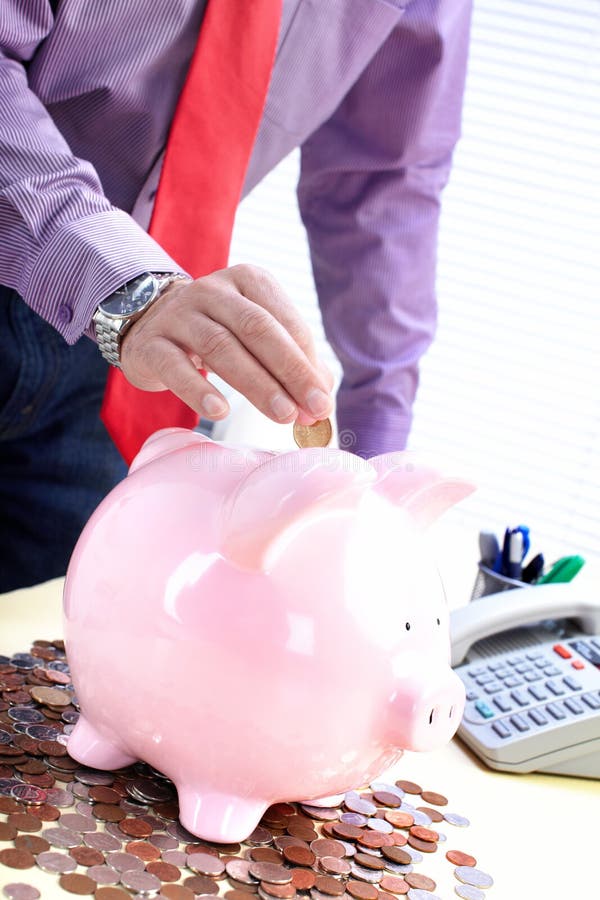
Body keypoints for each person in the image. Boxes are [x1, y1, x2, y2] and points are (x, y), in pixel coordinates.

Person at [0, 0, 473, 593]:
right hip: (128, 294)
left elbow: (384, 183)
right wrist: (121, 280)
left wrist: (372, 459)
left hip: (135, 355)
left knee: (66, 639)